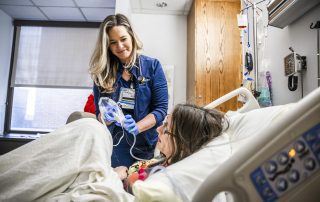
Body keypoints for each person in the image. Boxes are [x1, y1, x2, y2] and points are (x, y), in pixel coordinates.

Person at [0, 103, 227, 201]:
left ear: (184, 143)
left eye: (166, 128)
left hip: (113, 185)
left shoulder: (173, 176)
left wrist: (118, 175)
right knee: (89, 126)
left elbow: (135, 191)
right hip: (112, 176)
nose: (159, 128)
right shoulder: (161, 161)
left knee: (90, 131)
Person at [89, 13, 168, 167]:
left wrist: (137, 127)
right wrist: (106, 118)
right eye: (113, 42)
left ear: (131, 36)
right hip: (112, 145)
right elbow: (98, 114)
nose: (120, 46)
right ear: (107, 46)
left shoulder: (152, 67)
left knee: (135, 184)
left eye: (123, 39)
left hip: (144, 144)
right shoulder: (102, 73)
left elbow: (161, 109)